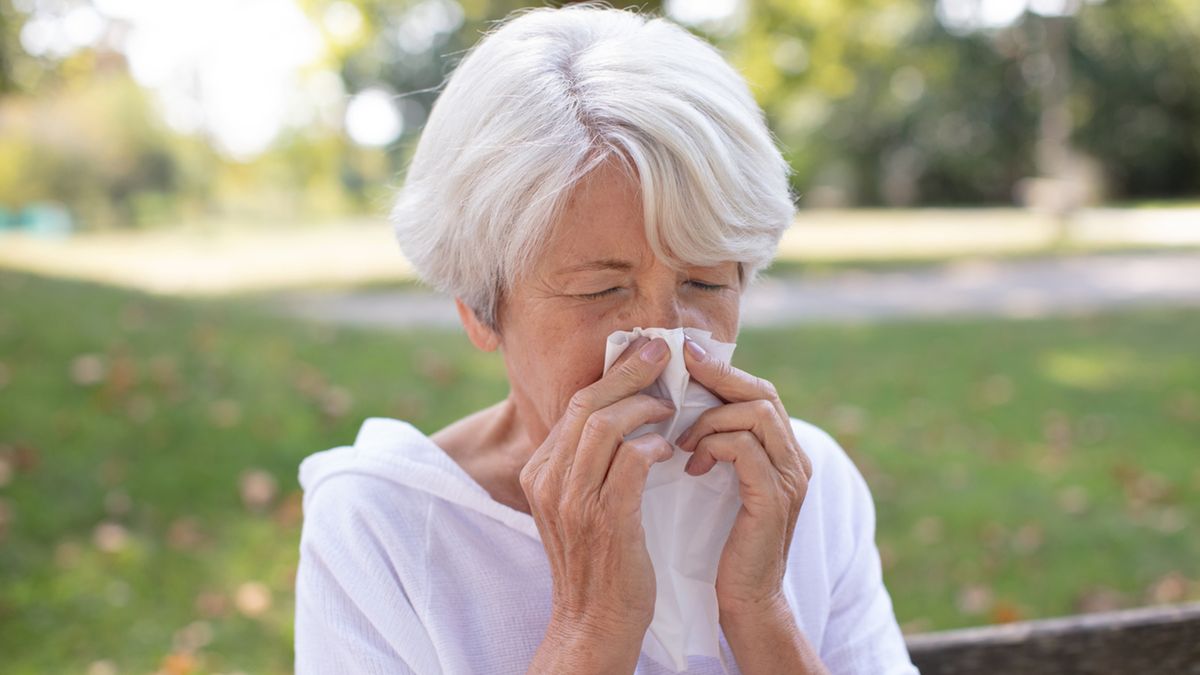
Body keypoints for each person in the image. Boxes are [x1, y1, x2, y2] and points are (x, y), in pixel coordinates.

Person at [294, 4, 918, 673]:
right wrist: (591, 626)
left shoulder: (806, 484)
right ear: (480, 309)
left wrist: (760, 610)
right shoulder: (381, 525)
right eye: (601, 290)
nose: (670, 337)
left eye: (706, 283)